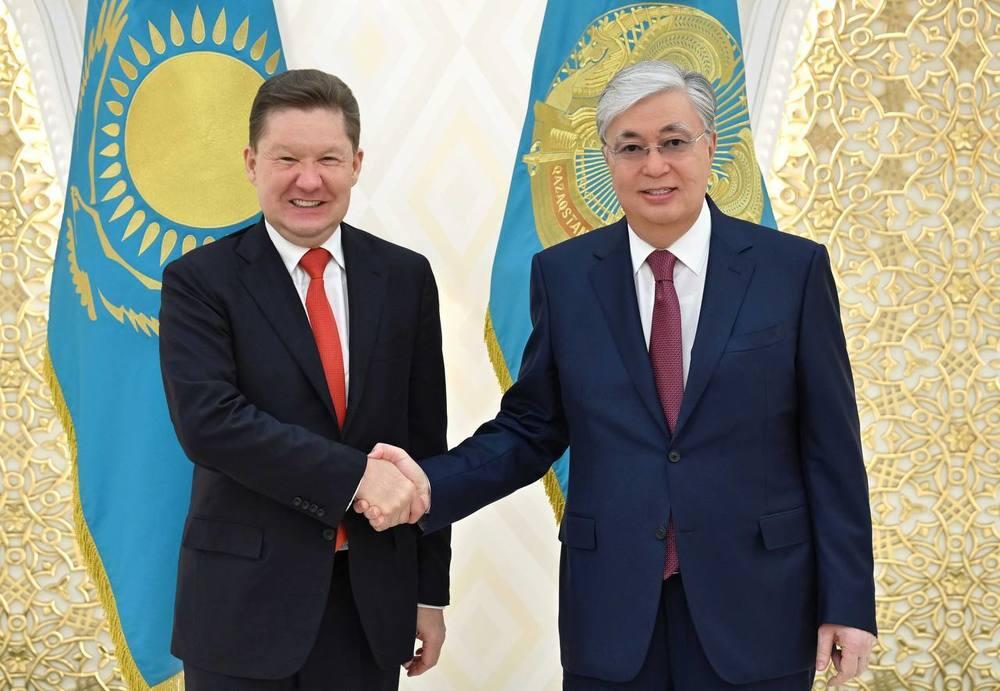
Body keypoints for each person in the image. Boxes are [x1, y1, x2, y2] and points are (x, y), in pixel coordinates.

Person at [361, 61, 877, 690]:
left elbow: (831, 449)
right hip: (612, 611)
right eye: (631, 148)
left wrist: (849, 601)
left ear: (710, 146)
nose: (654, 166)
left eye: (673, 142)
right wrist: (428, 483)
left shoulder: (790, 271)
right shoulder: (565, 276)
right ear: (607, 158)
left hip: (760, 604)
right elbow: (531, 428)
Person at [159, 69, 450, 691]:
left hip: (370, 605)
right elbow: (210, 424)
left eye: (328, 159)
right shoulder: (199, 281)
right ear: (251, 163)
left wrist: (429, 590)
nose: (309, 180)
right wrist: (355, 477)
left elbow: (425, 441)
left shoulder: (405, 278)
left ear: (356, 164)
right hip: (241, 610)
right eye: (287, 158)